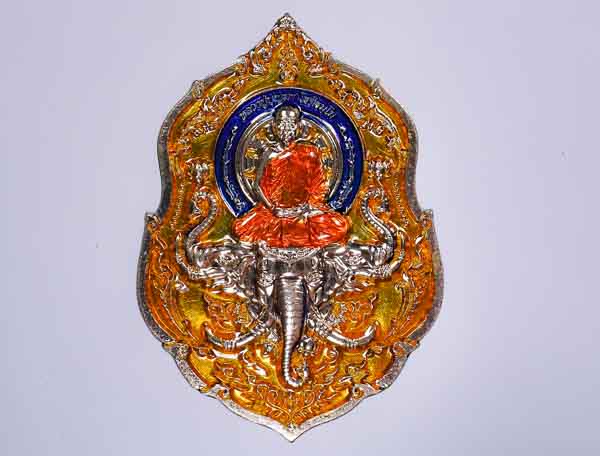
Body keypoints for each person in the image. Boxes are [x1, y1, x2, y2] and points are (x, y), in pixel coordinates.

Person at [233, 105, 349, 248]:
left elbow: (319, 187)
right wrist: (273, 208)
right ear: (274, 126)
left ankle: (294, 231)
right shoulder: (270, 154)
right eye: (282, 124)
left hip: (303, 211)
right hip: (274, 212)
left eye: (291, 124)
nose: (286, 129)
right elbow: (257, 186)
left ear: (299, 127)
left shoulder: (309, 152)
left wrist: (306, 208)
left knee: (339, 225)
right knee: (242, 229)